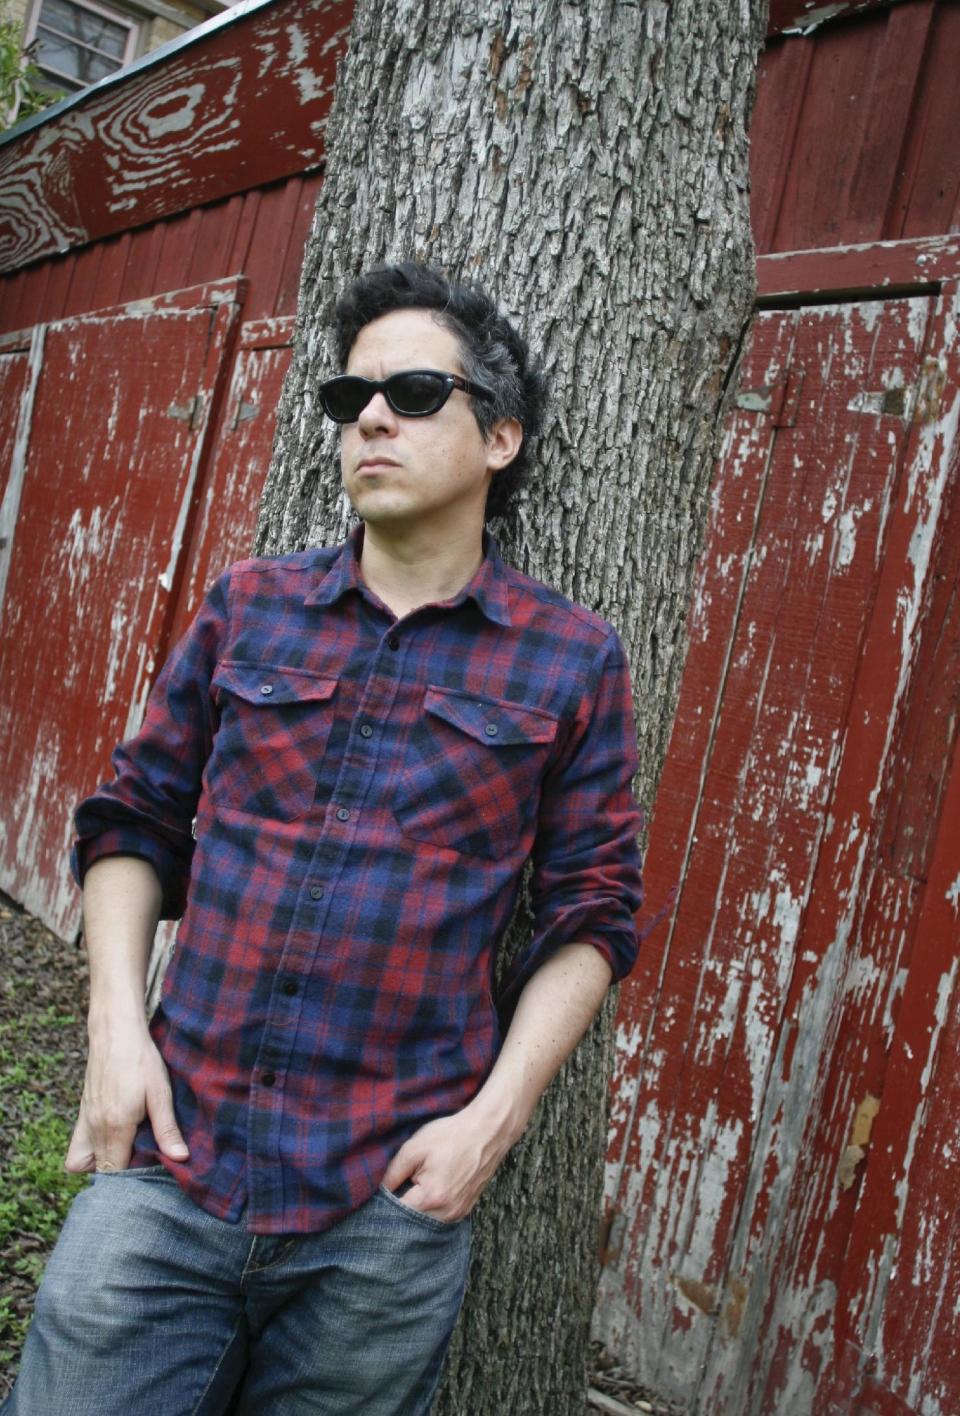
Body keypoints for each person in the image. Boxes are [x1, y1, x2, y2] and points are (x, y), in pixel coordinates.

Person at [3, 263, 643, 1415]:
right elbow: (133, 821)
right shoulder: (248, 607)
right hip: (170, 1157)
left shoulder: (570, 659)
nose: (373, 419)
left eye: (411, 390)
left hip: (382, 1213)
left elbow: (593, 913)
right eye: (350, 400)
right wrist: (114, 1035)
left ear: (501, 437)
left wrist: (490, 1129)